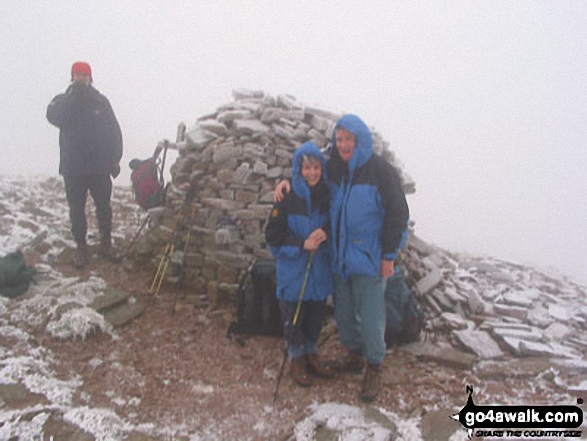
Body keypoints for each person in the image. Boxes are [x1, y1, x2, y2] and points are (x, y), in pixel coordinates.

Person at [275, 114, 409, 401]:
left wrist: (389, 255)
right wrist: (287, 182)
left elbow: (398, 214)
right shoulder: (333, 168)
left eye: (349, 139)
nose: (344, 144)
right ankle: (354, 355)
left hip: (370, 259)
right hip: (339, 259)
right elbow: (309, 173)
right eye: (340, 139)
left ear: (359, 140)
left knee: (372, 319)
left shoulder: (379, 170)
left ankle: (374, 366)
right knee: (345, 316)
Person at [266, 141, 334, 387]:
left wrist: (325, 232)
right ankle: (296, 357)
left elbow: (336, 224)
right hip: (294, 271)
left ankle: (311, 353)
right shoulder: (286, 196)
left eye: (316, 167)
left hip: (318, 270)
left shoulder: (328, 195)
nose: (312, 173)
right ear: (298, 169)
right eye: (306, 168)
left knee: (315, 315)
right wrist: (301, 244)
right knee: (293, 317)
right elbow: (272, 237)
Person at [47, 62, 123, 269]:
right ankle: (81, 247)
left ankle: (106, 243)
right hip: (73, 168)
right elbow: (53, 117)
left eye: (85, 75)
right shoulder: (63, 100)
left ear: (91, 77)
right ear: (72, 77)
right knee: (76, 209)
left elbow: (114, 131)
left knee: (104, 207)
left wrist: (115, 158)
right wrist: (73, 97)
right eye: (78, 75)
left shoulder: (100, 101)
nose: (81, 78)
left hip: (99, 166)